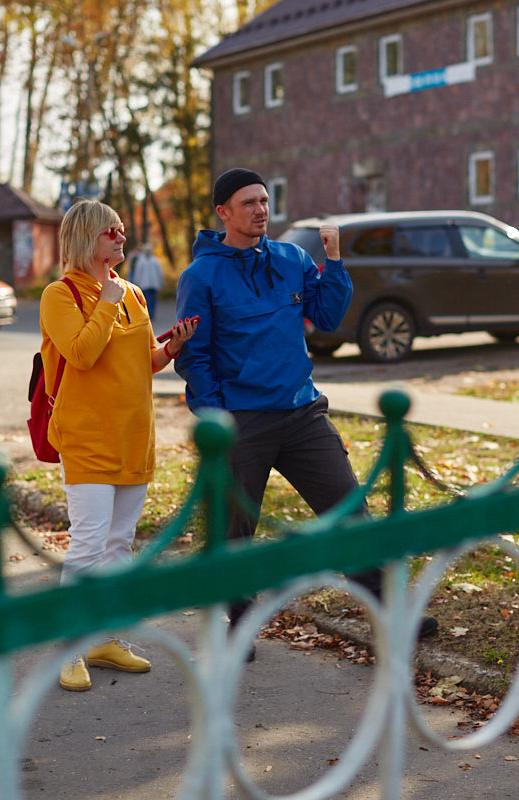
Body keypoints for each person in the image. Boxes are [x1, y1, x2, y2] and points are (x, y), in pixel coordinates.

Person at [173, 168, 437, 659]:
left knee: (348, 512)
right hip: (243, 421)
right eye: (248, 202)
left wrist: (334, 260)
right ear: (223, 212)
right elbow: (194, 356)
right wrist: (218, 420)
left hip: (301, 414)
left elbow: (329, 317)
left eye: (265, 201)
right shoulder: (201, 277)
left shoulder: (291, 258)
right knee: (236, 529)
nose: (260, 210)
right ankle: (241, 621)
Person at [40, 199, 197, 691]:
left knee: (119, 544)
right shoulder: (59, 295)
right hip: (86, 435)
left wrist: (171, 347)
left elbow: (142, 361)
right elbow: (83, 355)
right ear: (88, 237)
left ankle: (103, 638)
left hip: (134, 433)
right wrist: (106, 299)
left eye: (122, 232)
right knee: (87, 543)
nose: (122, 240)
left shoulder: (132, 292)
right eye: (114, 232)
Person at [129, 242, 165, 321]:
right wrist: (136, 282)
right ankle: (150, 314)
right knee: (148, 299)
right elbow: (138, 272)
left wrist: (161, 281)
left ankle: (151, 314)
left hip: (151, 284)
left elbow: (159, 272)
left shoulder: (153, 260)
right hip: (146, 284)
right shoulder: (144, 260)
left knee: (152, 299)